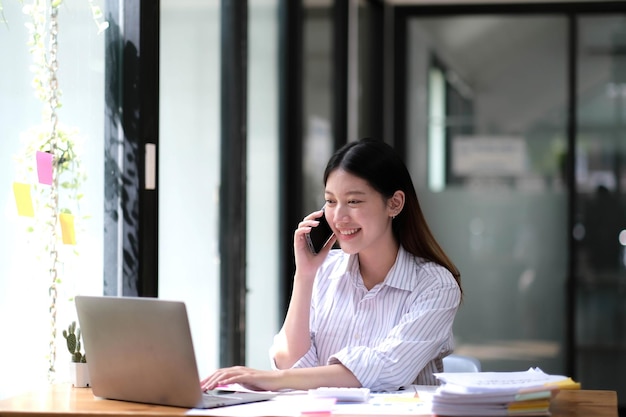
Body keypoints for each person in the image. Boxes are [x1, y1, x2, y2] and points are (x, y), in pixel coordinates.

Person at [201, 138, 462, 392]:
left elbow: (387, 369)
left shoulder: (436, 285)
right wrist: (304, 275)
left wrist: (276, 379)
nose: (338, 217)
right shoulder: (324, 271)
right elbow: (291, 361)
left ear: (394, 203)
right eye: (330, 201)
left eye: (354, 201)